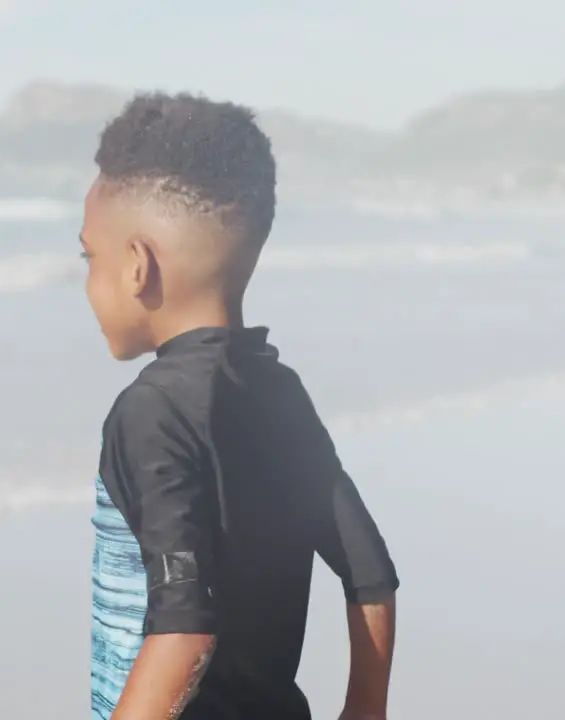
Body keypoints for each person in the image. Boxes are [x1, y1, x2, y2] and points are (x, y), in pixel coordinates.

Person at [82, 91, 400, 720]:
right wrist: (364, 711)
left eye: (90, 258)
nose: (88, 282)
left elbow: (184, 630)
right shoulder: (281, 393)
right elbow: (371, 573)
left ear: (138, 265)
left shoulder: (150, 412)